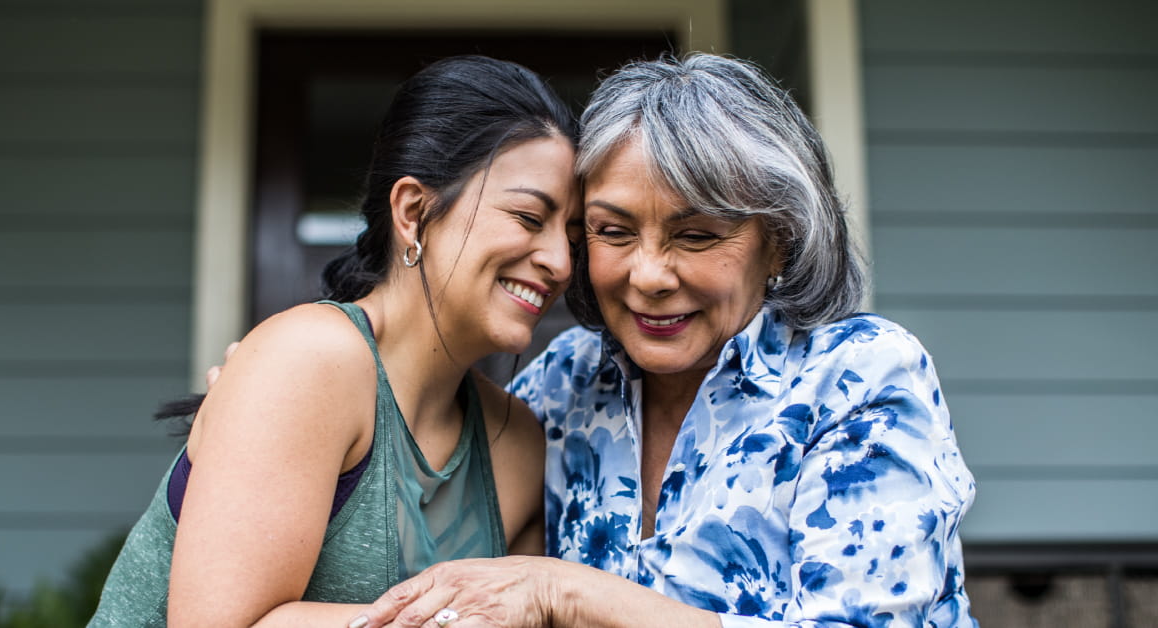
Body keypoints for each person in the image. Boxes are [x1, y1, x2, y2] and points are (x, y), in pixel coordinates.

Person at [354, 53, 977, 627]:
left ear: (779, 242)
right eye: (613, 231)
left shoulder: (858, 378)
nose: (648, 277)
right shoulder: (563, 381)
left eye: (697, 236)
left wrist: (563, 591)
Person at [90, 55, 581, 627]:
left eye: (572, 234)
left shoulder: (516, 445)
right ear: (413, 211)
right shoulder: (310, 360)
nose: (560, 262)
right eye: (528, 217)